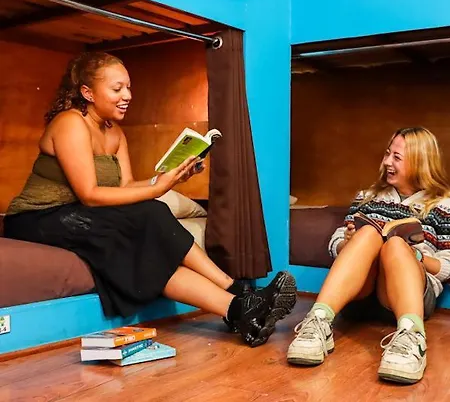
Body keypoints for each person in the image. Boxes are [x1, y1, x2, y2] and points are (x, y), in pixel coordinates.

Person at [4, 51, 297, 348]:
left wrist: (172, 178)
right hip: (38, 217)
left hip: (79, 212)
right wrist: (158, 189)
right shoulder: (70, 123)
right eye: (117, 89)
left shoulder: (115, 133)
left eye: (128, 87)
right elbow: (90, 194)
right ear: (87, 93)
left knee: (150, 247)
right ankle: (238, 291)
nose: (127, 96)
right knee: (152, 211)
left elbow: (127, 186)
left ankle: (239, 310)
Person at [287, 127, 450, 384]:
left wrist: (414, 256)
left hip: (409, 295)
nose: (387, 162)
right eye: (387, 154)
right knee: (368, 234)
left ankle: (411, 336)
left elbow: (446, 266)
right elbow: (335, 243)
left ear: (419, 161)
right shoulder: (368, 197)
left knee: (395, 245)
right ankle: (318, 321)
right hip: (360, 295)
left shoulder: (443, 205)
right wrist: (348, 241)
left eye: (397, 157)